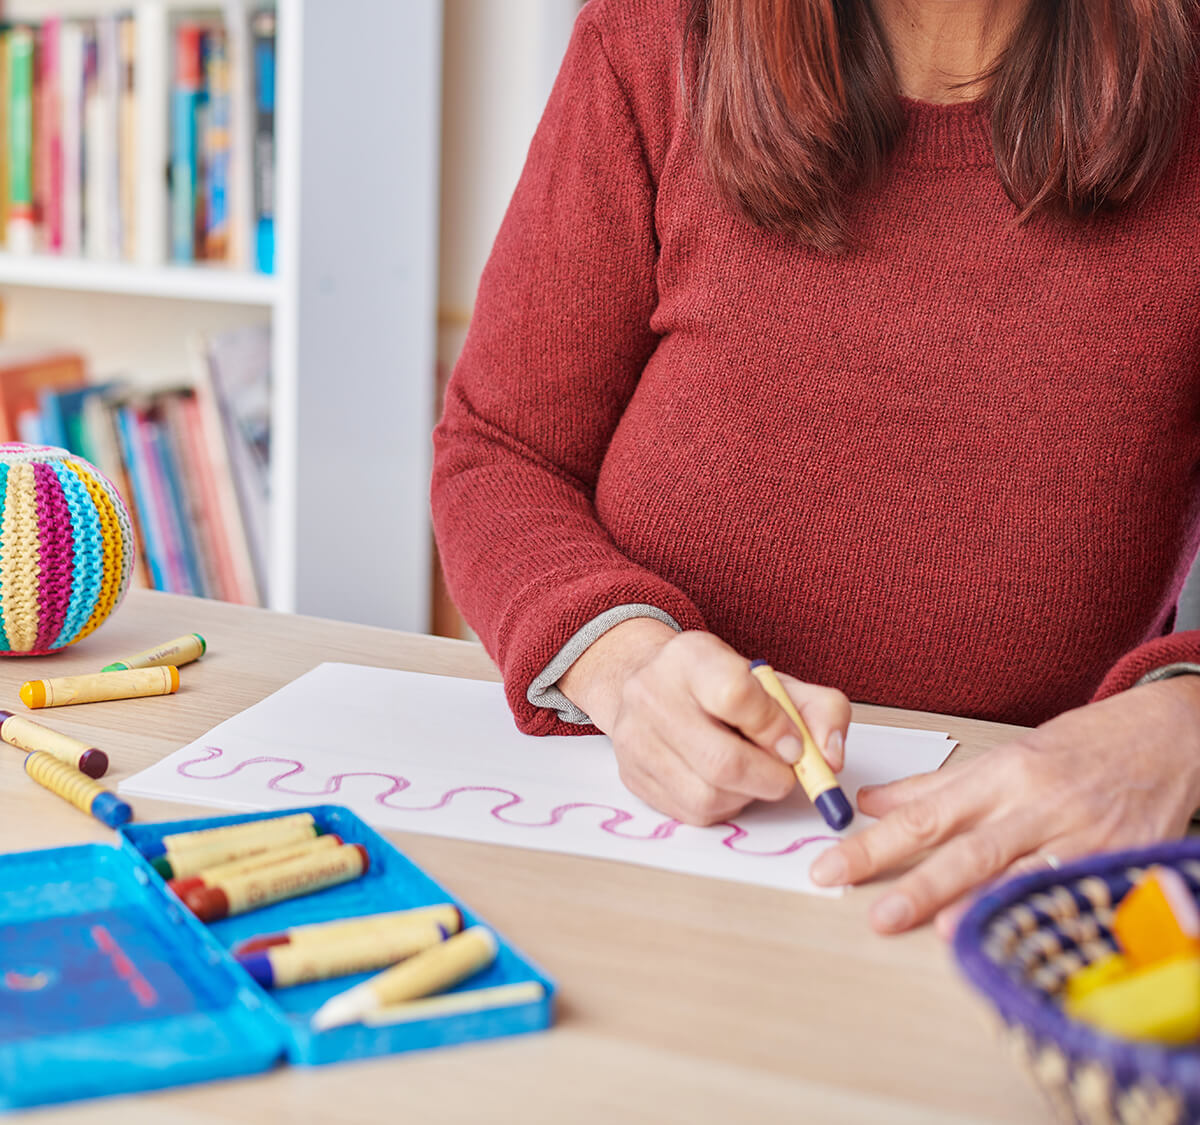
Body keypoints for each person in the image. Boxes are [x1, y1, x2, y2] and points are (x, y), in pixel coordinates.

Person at [431, 0, 1200, 937]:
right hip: (640, 858)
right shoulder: (652, 38)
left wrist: (1181, 726)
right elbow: (501, 452)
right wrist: (623, 667)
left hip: (1018, 899)